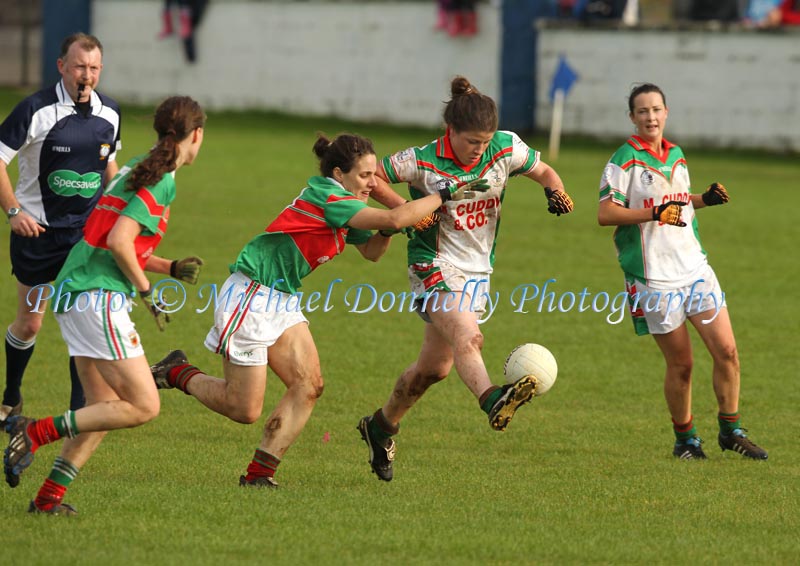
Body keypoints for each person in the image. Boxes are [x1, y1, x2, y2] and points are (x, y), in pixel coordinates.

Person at [147, 132, 480, 488]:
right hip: (250, 296)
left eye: (374, 175)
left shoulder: (345, 200)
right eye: (365, 176)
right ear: (339, 173)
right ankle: (177, 371)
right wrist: (439, 196)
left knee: (309, 385)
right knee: (243, 409)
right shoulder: (330, 196)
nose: (373, 183)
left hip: (281, 299)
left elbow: (372, 252)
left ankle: (260, 476)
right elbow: (396, 219)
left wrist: (388, 227)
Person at [357, 76, 574, 482]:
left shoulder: (505, 147)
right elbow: (373, 177)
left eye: (485, 140)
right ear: (450, 131)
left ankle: (381, 426)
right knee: (468, 337)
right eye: (472, 141)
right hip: (432, 262)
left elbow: (543, 170)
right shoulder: (422, 159)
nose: (480, 148)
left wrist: (553, 190)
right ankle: (493, 400)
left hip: (477, 271)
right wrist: (406, 208)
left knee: (434, 369)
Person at [3, 96, 207, 515]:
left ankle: (47, 500)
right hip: (96, 297)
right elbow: (117, 243)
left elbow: (112, 238)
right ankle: (34, 431)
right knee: (145, 405)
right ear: (196, 135)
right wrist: (147, 292)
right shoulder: (162, 179)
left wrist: (167, 266)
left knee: (104, 409)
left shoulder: (139, 165)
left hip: (75, 291)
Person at [597, 83, 768, 461]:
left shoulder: (676, 154)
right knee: (682, 364)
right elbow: (606, 214)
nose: (650, 117)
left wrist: (703, 200)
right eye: (642, 111)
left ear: (666, 112)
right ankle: (686, 440)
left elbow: (677, 205)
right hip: (653, 276)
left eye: (656, 109)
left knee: (727, 351)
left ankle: (731, 430)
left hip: (694, 268)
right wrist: (653, 213)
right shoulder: (623, 160)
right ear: (632, 117)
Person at [0, 33, 122, 428]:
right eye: (78, 67)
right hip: (36, 234)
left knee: (81, 320)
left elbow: (110, 169)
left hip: (84, 239)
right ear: (61, 67)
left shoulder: (110, 114)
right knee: (30, 321)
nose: (85, 75)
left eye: (93, 68)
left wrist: (118, 213)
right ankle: (11, 396)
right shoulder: (36, 109)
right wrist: (14, 211)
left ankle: (79, 410)